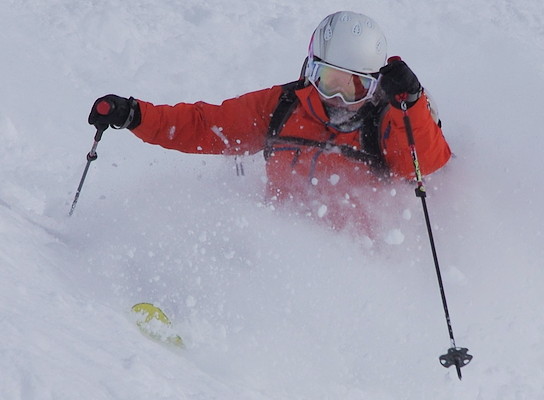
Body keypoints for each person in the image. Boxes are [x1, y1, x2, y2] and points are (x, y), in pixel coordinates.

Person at [89, 11, 451, 235]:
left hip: (360, 263)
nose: (337, 99)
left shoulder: (390, 118)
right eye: (327, 80)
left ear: (375, 84)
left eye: (354, 87)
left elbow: (423, 165)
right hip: (278, 242)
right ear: (310, 69)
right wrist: (136, 115)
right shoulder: (284, 105)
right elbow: (209, 126)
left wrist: (413, 103)